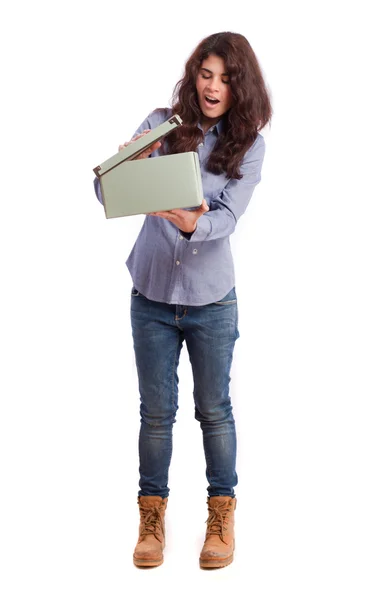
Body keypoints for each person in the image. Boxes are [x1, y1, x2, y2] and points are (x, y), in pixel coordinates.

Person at [93, 31, 272, 569]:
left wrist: (195, 221)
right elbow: (106, 193)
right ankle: (152, 518)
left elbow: (228, 218)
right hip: (150, 292)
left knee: (214, 411)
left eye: (226, 77)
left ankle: (222, 514)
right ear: (194, 76)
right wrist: (128, 162)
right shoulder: (161, 124)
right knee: (156, 414)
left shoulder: (252, 144)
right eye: (206, 73)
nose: (214, 86)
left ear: (242, 86)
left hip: (211, 300)